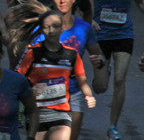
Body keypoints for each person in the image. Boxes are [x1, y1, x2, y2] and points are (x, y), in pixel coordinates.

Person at [83, 0, 144, 139]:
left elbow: (141, 2)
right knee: (101, 87)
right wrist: (90, 20)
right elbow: (84, 3)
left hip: (124, 34)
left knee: (120, 79)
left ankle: (113, 126)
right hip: (101, 36)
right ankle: (103, 71)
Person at [12, 9, 96, 140]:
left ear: (62, 28)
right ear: (41, 30)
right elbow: (16, 80)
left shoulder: (71, 55)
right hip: (36, 113)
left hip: (61, 113)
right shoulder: (32, 53)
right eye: (47, 27)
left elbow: (82, 81)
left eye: (55, 26)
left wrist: (89, 95)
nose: (51, 31)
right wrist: (29, 90)